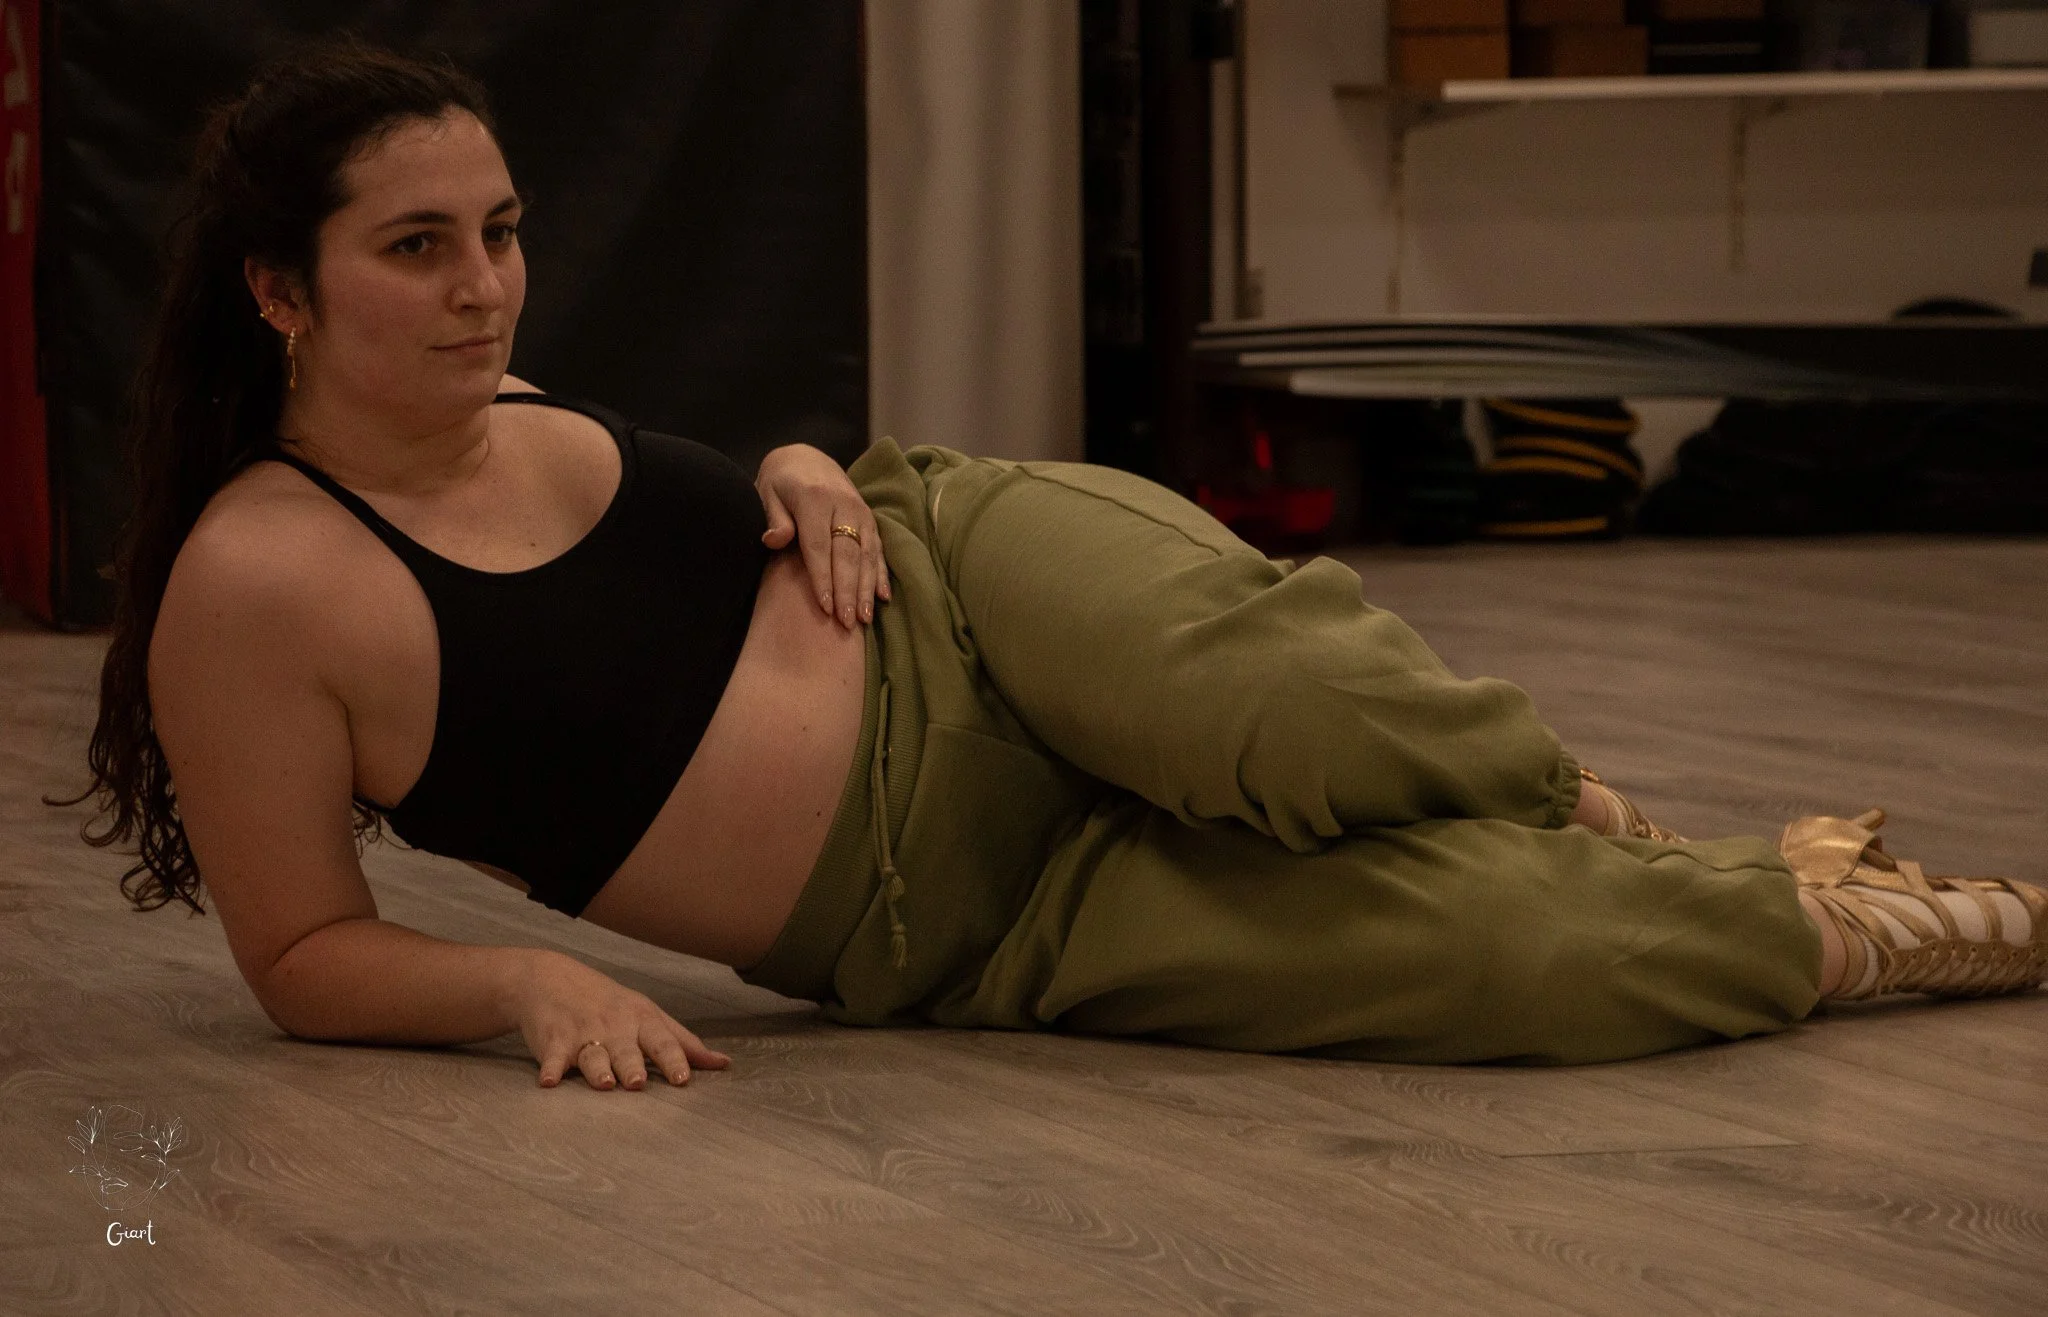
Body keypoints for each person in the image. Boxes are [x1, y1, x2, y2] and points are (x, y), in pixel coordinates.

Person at [52, 39, 2046, 1093]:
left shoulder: (489, 381)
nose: (482, 283)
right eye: (418, 248)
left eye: (496, 228)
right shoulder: (252, 585)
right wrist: (518, 983)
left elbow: (668, 515)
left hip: (971, 580)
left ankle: (1576, 804)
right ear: (275, 291)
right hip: (975, 911)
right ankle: (1891, 918)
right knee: (1531, 969)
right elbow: (295, 956)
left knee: (1293, 701)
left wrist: (802, 457)